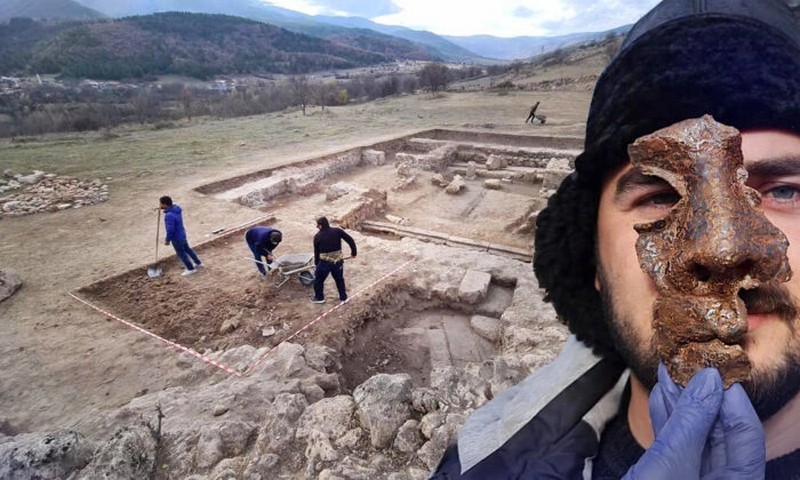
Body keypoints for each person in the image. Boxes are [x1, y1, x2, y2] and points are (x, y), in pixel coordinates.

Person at [432, 0, 800, 478]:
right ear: (594, 259)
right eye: (660, 196)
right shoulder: (479, 464)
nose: (721, 250)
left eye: (783, 191)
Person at [311, 216, 356, 304]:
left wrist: (317, 264)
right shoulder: (337, 231)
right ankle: (343, 297)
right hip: (338, 262)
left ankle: (319, 298)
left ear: (320, 226)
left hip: (324, 263)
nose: (317, 227)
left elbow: (317, 253)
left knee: (318, 281)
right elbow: (350, 240)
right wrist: (354, 253)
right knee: (339, 279)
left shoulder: (317, 236)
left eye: (317, 225)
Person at [159, 195, 202, 276]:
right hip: (182, 234)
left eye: (161, 204)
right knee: (188, 249)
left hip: (176, 238)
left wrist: (167, 240)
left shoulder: (169, 215)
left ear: (165, 204)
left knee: (181, 253)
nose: (160, 205)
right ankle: (197, 262)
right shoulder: (176, 210)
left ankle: (190, 269)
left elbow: (170, 230)